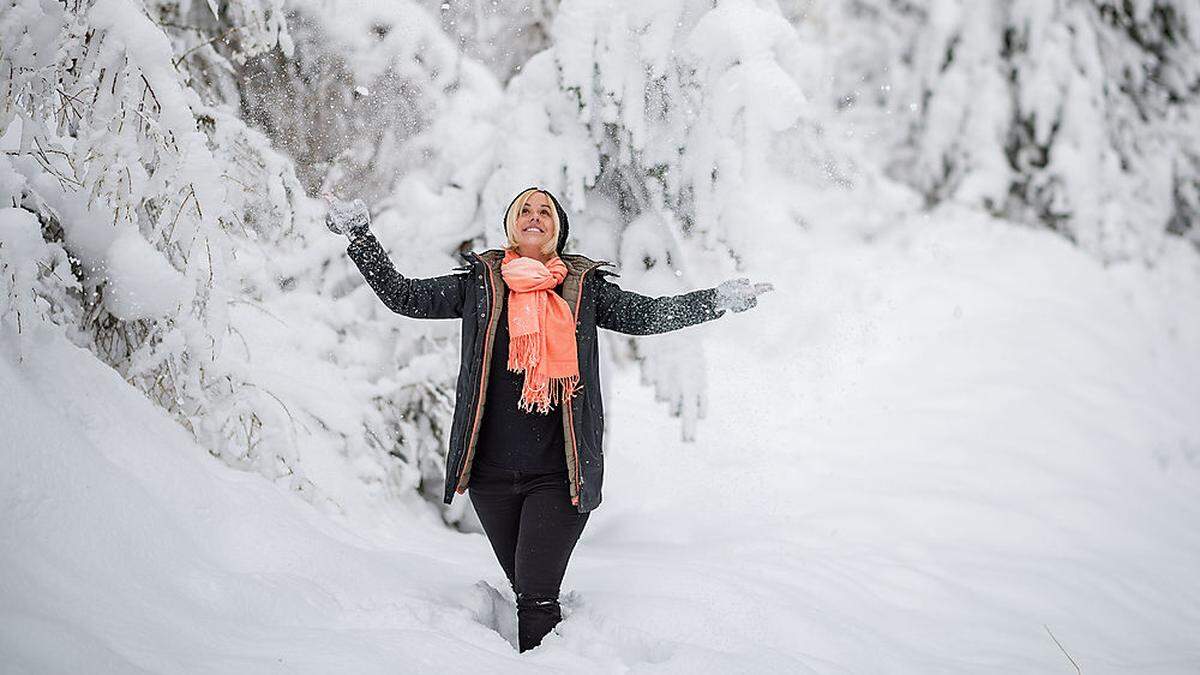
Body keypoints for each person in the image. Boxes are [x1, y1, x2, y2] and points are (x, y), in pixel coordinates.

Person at [326, 187, 773, 652]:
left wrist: (715, 300)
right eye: (525, 209)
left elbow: (645, 314)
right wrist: (360, 235)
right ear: (511, 226)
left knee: (537, 596)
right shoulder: (479, 284)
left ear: (557, 230)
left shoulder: (583, 289)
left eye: (545, 211)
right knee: (525, 589)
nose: (534, 216)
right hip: (490, 480)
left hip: (559, 478)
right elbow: (404, 296)